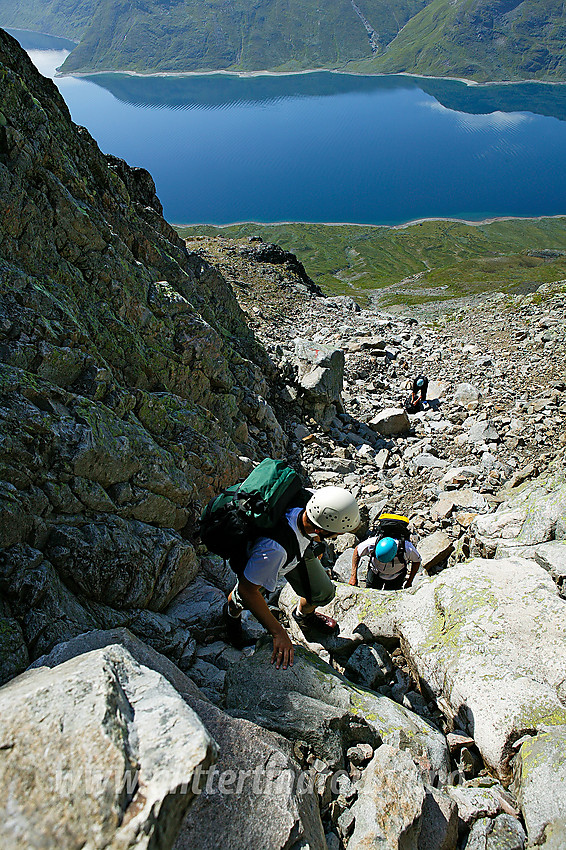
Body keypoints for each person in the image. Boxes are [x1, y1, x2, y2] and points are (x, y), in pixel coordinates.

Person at [224, 486, 360, 670]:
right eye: (338, 533)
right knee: (244, 599)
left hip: (297, 550)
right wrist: (278, 632)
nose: (339, 536)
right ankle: (231, 614)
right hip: (280, 554)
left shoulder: (310, 502)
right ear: (322, 530)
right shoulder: (274, 550)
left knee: (323, 593)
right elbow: (248, 591)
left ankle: (303, 616)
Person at [349, 531, 421, 591]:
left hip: (396, 577)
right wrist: (353, 576)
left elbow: (417, 561)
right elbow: (357, 551)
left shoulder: (407, 548)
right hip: (375, 573)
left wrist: (409, 581)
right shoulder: (373, 543)